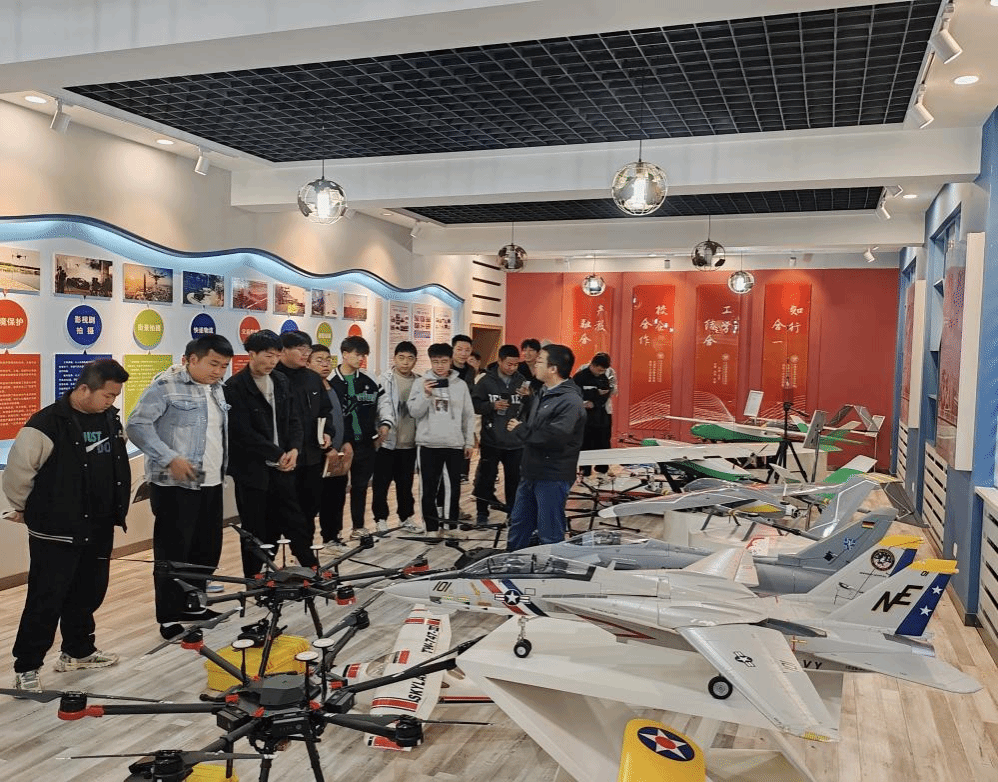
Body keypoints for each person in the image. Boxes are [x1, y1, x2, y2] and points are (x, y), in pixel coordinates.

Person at [4, 359, 130, 692]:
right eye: (107, 395)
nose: (111, 402)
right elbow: (18, 472)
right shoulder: (46, 423)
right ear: (84, 389)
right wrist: (23, 508)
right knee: (46, 598)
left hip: (99, 525)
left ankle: (78, 651)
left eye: (115, 396)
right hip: (57, 529)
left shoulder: (109, 418)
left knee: (88, 592)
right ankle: (27, 666)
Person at [127, 335, 233, 640]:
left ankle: (194, 605)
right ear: (192, 359)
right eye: (213, 364)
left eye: (224, 366)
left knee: (205, 549)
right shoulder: (166, 385)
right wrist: (169, 457)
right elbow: (136, 425)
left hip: (210, 480)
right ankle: (169, 615)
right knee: (174, 551)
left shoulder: (217, 388)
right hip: (175, 485)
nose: (218, 371)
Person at [224, 330, 319, 578]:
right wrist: (278, 454)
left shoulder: (280, 380)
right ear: (251, 354)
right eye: (268, 356)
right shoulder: (235, 386)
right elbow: (242, 433)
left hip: (284, 465)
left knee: (295, 519)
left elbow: (294, 420)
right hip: (253, 470)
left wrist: (294, 449)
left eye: (277, 355)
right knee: (255, 526)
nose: (273, 361)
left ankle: (311, 570)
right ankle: (254, 578)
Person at [505, 344, 586, 551]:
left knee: (549, 531)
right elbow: (540, 423)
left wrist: (521, 429)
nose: (534, 364)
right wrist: (528, 401)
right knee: (519, 525)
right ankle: (514, 564)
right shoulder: (544, 391)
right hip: (531, 470)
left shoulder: (570, 401)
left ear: (553, 369)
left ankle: (552, 568)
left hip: (552, 475)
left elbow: (555, 438)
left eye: (540, 361)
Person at [328, 335, 394, 539]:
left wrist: (385, 424)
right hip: (340, 446)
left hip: (365, 443)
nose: (361, 359)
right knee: (336, 490)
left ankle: (358, 527)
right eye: (357, 355)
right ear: (345, 354)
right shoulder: (330, 381)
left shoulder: (370, 379)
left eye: (364, 355)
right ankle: (334, 533)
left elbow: (384, 403)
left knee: (360, 487)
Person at [273, 331, 336, 535]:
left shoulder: (312, 378)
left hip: (312, 457)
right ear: (283, 351)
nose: (305, 354)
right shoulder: (273, 378)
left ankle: (305, 551)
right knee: (283, 513)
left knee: (309, 510)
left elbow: (325, 411)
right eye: (300, 349)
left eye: (308, 349)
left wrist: (327, 432)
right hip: (285, 459)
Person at [408, 343, 475, 536]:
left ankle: (450, 527)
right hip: (428, 444)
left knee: (453, 489)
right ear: (430, 361)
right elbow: (414, 412)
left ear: (450, 361)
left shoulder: (460, 385)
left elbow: (468, 415)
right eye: (435, 362)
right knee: (427, 489)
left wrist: (469, 442)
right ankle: (431, 528)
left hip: (454, 444)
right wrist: (426, 395)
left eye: (444, 361)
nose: (439, 366)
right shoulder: (420, 383)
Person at [471, 344, 531, 526]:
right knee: (486, 478)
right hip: (491, 439)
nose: (512, 368)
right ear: (499, 361)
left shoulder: (522, 380)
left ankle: (513, 513)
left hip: (515, 442)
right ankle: (482, 513)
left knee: (514, 480)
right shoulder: (486, 381)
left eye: (515, 364)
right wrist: (491, 406)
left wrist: (528, 396)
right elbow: (474, 405)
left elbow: (530, 408)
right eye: (509, 364)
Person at [307, 343, 352, 546]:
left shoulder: (335, 386)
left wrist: (347, 442)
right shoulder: (309, 389)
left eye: (328, 360)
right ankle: (308, 547)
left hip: (339, 454)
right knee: (316, 500)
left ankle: (333, 537)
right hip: (319, 454)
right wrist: (327, 448)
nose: (325, 364)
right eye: (319, 360)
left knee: (337, 497)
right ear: (308, 363)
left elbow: (344, 417)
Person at [372, 342, 419, 533]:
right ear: (394, 358)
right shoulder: (384, 380)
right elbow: (378, 409)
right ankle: (380, 519)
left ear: (415, 360)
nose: (405, 362)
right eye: (401, 358)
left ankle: (406, 517)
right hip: (387, 443)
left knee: (405, 484)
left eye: (410, 358)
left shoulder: (420, 382)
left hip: (410, 443)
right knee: (381, 484)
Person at [573, 353, 613, 476]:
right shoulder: (580, 376)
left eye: (603, 371)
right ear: (593, 365)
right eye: (599, 370)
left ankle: (602, 469)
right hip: (585, 417)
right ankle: (585, 470)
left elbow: (606, 395)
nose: (601, 373)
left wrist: (595, 403)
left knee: (603, 442)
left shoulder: (603, 378)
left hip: (600, 416)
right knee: (586, 443)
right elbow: (575, 393)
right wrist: (592, 395)